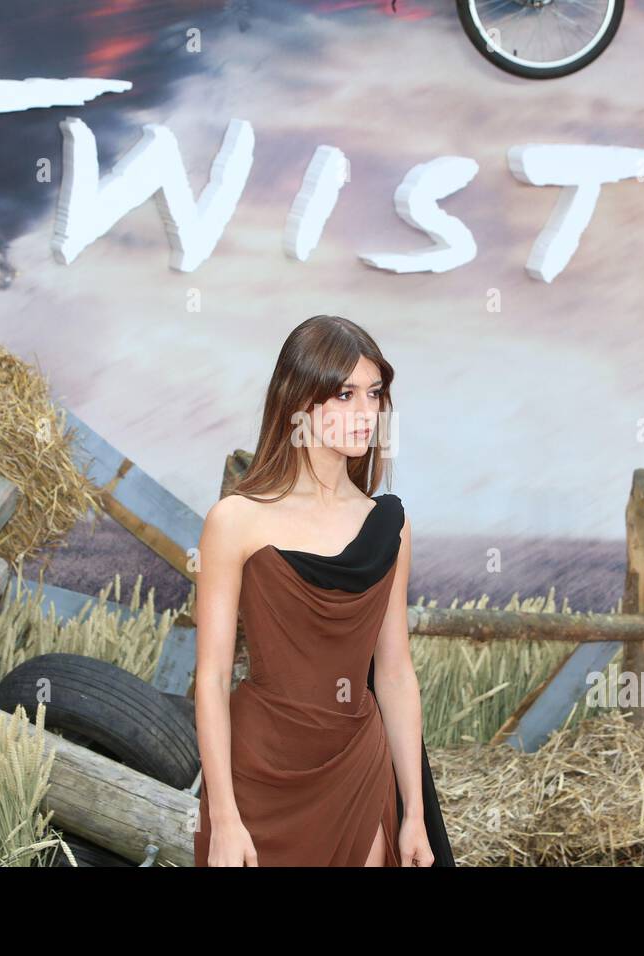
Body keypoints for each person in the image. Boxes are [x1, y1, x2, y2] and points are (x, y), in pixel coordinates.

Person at [192, 314, 455, 867]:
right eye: (344, 394)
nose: (367, 414)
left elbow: (395, 672)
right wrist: (223, 818)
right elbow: (212, 677)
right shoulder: (235, 520)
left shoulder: (390, 525)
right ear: (299, 401)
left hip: (358, 766)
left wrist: (413, 814)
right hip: (257, 775)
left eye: (375, 394)